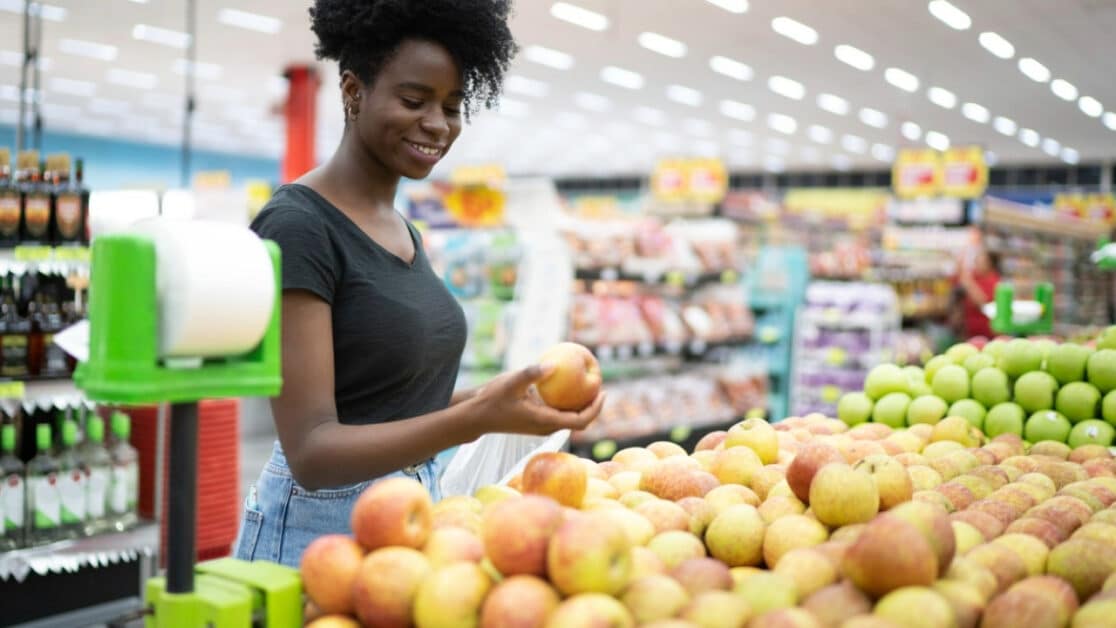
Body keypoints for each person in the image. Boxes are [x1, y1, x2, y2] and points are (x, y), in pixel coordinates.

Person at [234, 0, 604, 568]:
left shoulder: (402, 229)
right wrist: (475, 419)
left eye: (452, 106)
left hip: (409, 516)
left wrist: (496, 398)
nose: (437, 123)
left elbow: (388, 407)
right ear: (354, 91)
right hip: (317, 537)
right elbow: (312, 450)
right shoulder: (299, 225)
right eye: (414, 100)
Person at [955, 247, 1002, 340]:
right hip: (970, 330)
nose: (976, 263)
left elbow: (982, 302)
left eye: (980, 260)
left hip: (987, 332)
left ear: (990, 263)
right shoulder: (974, 275)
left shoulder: (994, 281)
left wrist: (967, 281)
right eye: (976, 260)